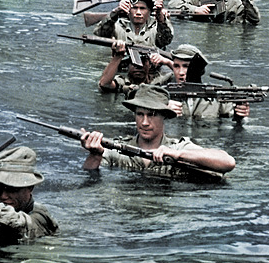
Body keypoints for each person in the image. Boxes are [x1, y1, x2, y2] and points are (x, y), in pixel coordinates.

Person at [79, 85, 236, 178]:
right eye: (140, 114)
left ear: (164, 117)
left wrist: (177, 155)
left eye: (152, 115)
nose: (145, 122)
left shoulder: (177, 148)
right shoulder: (118, 149)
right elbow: (88, 178)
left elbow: (228, 162)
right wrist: (94, 155)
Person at [153, 44, 250, 120]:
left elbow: (237, 125)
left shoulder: (215, 99)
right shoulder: (162, 93)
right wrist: (162, 109)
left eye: (186, 66)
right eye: (176, 66)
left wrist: (241, 115)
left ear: (198, 70)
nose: (181, 72)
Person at [93, 0, 174, 50]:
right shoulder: (119, 25)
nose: (138, 12)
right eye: (134, 8)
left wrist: (160, 17)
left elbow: (166, 40)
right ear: (128, 9)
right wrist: (116, 12)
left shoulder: (156, 27)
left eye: (142, 8)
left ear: (149, 11)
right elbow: (100, 34)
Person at [97, 40, 163, 94]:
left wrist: (167, 62)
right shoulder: (122, 82)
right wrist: (118, 57)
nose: (138, 66)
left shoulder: (159, 81)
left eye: (143, 61)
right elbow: (104, 84)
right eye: (134, 62)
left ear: (150, 65)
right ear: (128, 65)